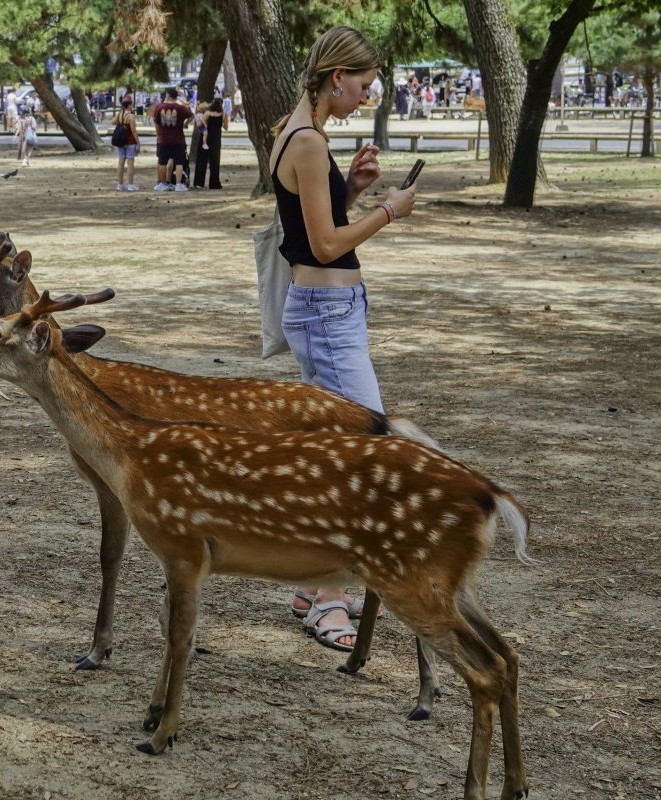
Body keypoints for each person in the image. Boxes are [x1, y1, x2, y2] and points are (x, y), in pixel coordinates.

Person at [269, 25, 417, 652]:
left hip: (326, 308)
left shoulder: (298, 132)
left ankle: (313, 585)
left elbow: (313, 224)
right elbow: (327, 245)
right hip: (328, 311)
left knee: (333, 449)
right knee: (361, 454)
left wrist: (349, 190)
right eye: (362, 85)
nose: (366, 96)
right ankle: (329, 597)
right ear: (335, 77)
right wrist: (387, 212)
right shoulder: (304, 140)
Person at [152, 86, 193, 192]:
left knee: (162, 162)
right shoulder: (181, 108)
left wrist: (158, 134)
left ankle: (162, 183)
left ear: (167, 95)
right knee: (179, 162)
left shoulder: (159, 107)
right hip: (178, 139)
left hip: (164, 139)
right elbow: (191, 115)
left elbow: (156, 121)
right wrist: (185, 123)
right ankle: (179, 184)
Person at [194, 97, 224, 190]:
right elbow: (226, 126)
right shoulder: (223, 114)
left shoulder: (207, 113)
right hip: (216, 140)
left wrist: (202, 123)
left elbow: (199, 125)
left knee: (201, 160)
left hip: (206, 139)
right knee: (215, 162)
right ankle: (214, 183)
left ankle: (199, 182)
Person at [112, 95, 140, 191]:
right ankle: (130, 184)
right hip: (130, 141)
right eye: (131, 105)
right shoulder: (131, 116)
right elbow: (133, 130)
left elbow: (113, 122)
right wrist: (138, 143)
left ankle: (120, 184)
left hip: (121, 141)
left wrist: (121, 124)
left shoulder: (120, 114)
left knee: (121, 162)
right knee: (130, 163)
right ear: (129, 106)